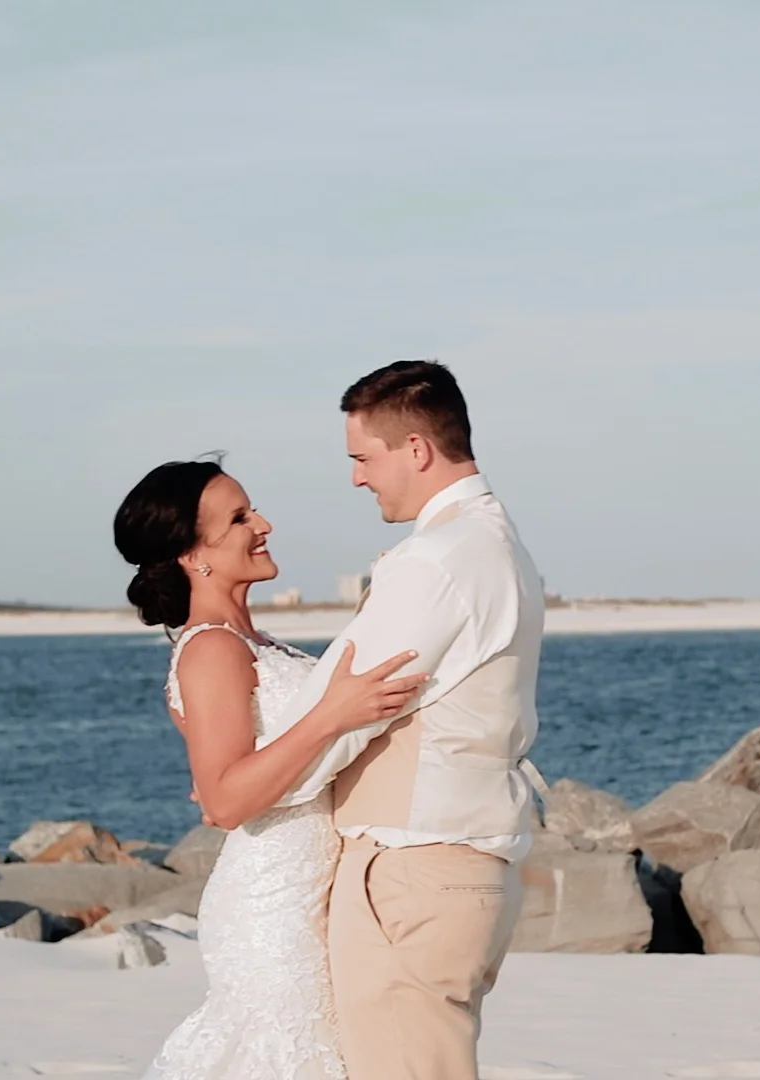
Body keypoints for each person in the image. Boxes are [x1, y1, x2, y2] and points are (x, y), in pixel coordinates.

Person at [275, 359, 546, 1080]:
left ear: (417, 450)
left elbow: (340, 706)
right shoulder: (499, 545)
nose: (358, 478)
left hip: (414, 863)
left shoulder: (441, 559)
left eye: (363, 458)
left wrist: (251, 782)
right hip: (462, 859)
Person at [115, 455, 426, 1080]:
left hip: (315, 891)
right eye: (239, 517)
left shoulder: (256, 644)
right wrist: (329, 716)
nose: (264, 523)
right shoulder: (209, 649)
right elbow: (226, 802)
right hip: (272, 907)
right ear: (192, 554)